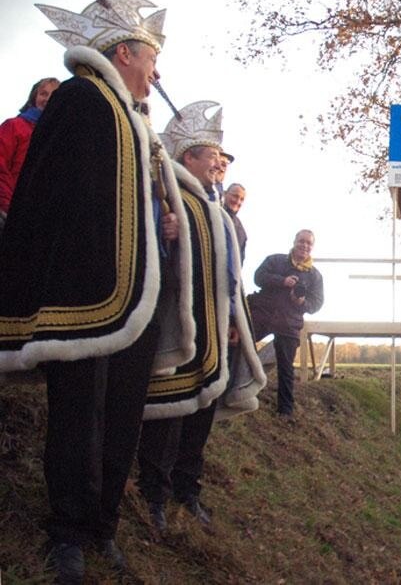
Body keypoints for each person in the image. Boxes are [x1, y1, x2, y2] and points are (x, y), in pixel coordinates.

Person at [0, 0, 193, 582]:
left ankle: (103, 527)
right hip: (84, 293)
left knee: (121, 419)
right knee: (77, 416)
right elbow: (46, 193)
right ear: (126, 52)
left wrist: (160, 218)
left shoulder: (136, 120)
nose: (157, 72)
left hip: (138, 293)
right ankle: (67, 534)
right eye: (152, 58)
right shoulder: (82, 99)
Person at [138, 102, 265, 532]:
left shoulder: (219, 212)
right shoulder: (168, 193)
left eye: (221, 158)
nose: (219, 163)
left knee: (201, 411)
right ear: (188, 157)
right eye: (211, 155)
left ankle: (185, 489)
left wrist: (233, 320)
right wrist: (164, 228)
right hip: (178, 323)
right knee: (168, 410)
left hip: (215, 325)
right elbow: (146, 243)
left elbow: (229, 273)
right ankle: (151, 492)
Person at [248, 230, 324, 416]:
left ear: (312, 247)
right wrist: (283, 281)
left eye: (309, 243)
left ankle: (285, 411)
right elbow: (258, 277)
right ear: (294, 242)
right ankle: (228, 391)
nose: (305, 246)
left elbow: (316, 304)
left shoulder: (315, 276)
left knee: (286, 369)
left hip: (289, 324)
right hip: (263, 315)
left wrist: (301, 302)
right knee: (240, 349)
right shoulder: (275, 261)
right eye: (302, 241)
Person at [0, 77, 60, 229]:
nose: (47, 99)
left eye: (53, 95)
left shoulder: (60, 138)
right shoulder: (15, 126)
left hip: (38, 219)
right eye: (43, 94)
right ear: (34, 98)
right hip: (8, 212)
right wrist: (9, 205)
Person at [224, 182, 247, 263]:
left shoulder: (241, 231)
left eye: (241, 199)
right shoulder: (212, 213)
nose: (238, 201)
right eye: (235, 196)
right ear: (225, 194)